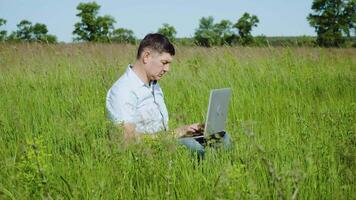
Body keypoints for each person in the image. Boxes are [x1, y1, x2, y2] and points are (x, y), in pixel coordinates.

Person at [106, 33, 230, 157]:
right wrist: (177, 132)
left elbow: (161, 131)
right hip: (145, 152)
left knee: (223, 138)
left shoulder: (154, 85)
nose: (167, 69)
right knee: (192, 147)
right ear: (146, 57)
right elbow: (128, 140)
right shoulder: (123, 90)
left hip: (164, 142)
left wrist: (186, 131)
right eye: (164, 62)